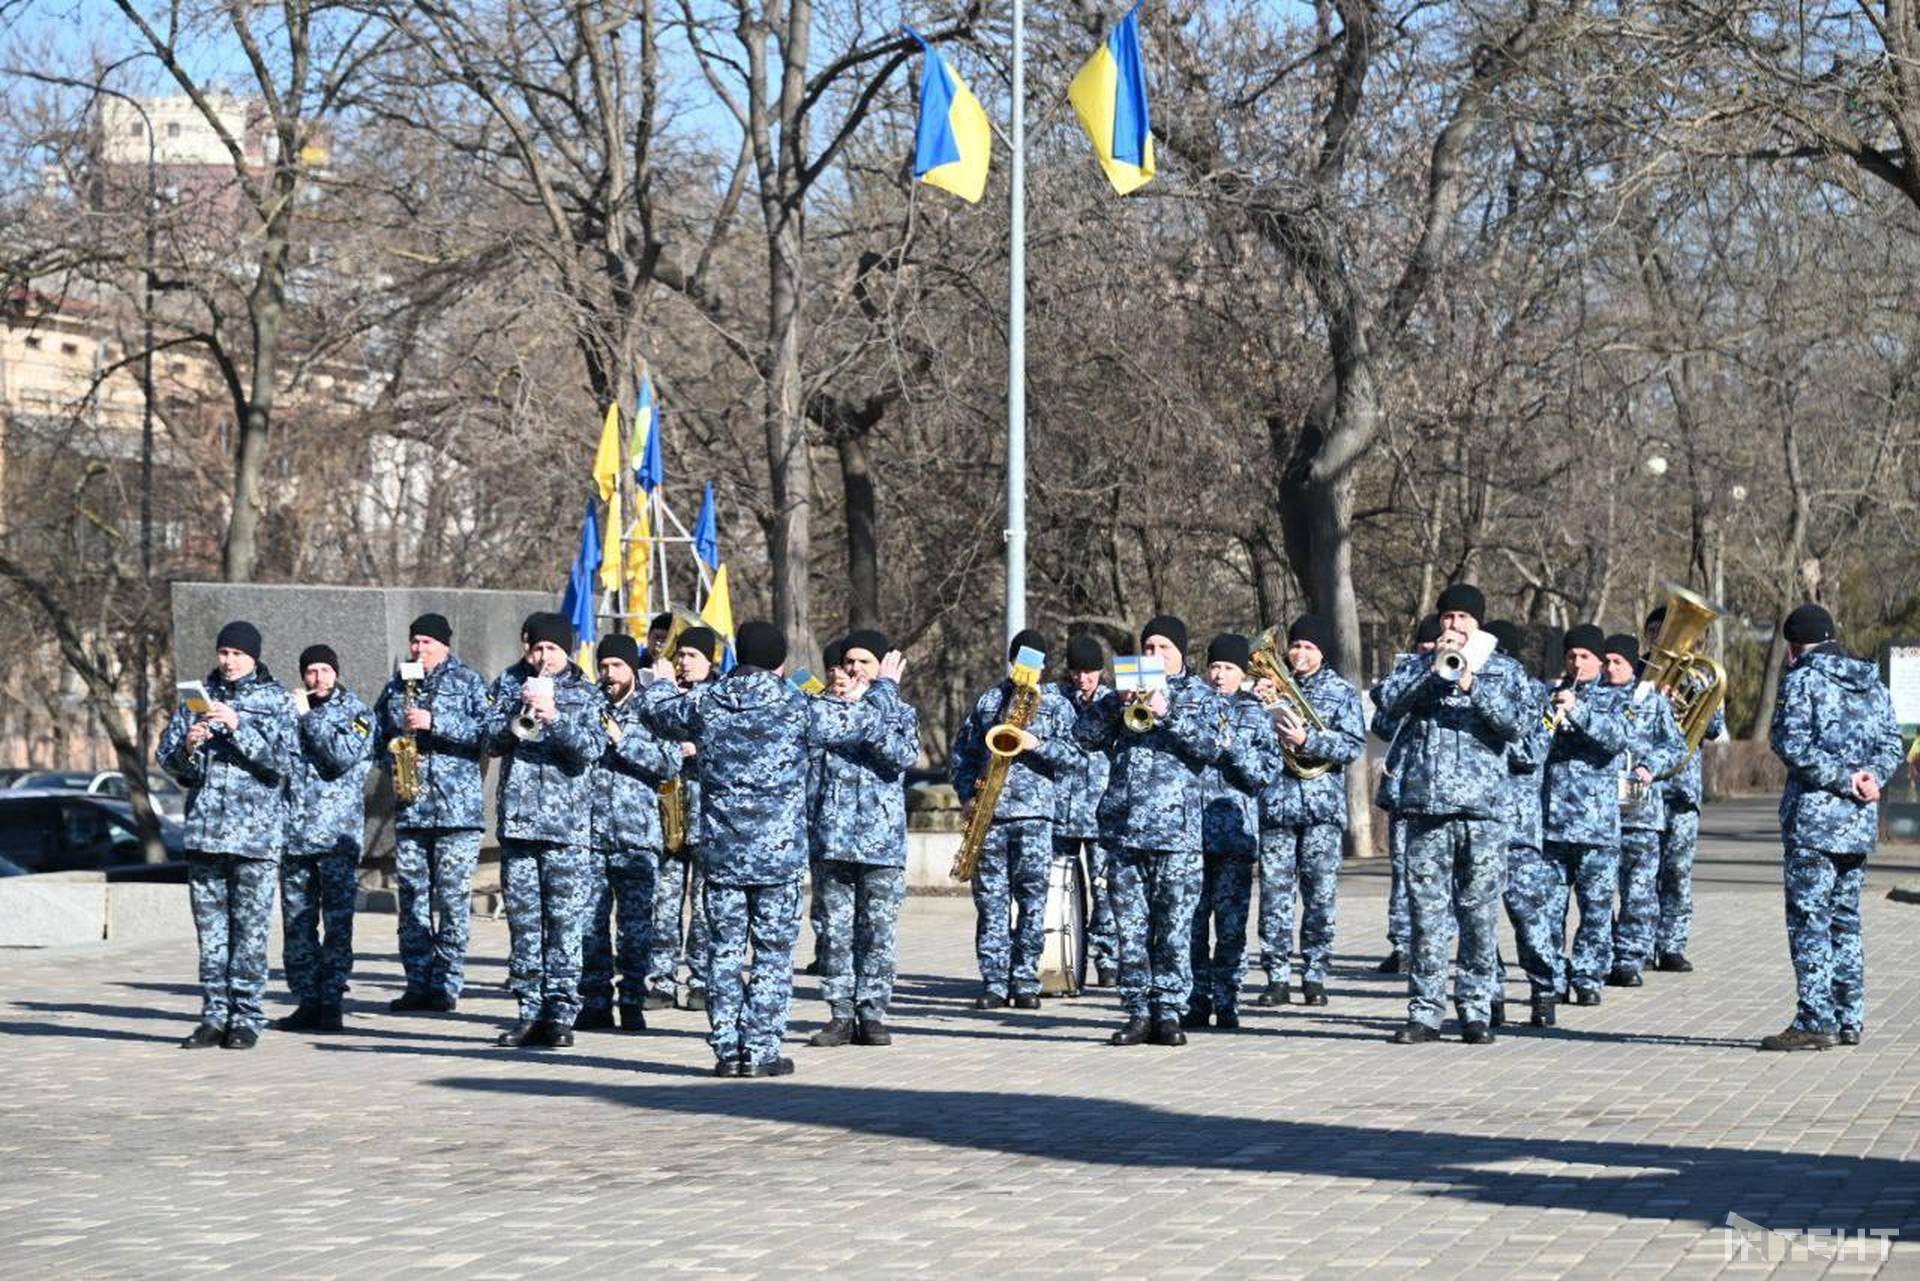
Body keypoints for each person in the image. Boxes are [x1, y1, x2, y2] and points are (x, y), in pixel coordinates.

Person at [642, 620, 908, 1078]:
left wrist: (661, 681)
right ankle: (762, 1051)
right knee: (772, 954)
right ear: (782, 663)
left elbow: (657, 713)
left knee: (723, 953)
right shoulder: (796, 705)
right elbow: (863, 720)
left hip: (722, 853)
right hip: (778, 857)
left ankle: (727, 1051)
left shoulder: (708, 702)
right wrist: (883, 684)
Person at [1374, 586, 1530, 1045]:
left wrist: (1471, 685)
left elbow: (1515, 727)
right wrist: (1431, 672)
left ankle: (1476, 1009)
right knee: (1427, 918)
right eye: (1447, 618)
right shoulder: (1417, 666)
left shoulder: (1505, 670)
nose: (1454, 626)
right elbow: (1387, 703)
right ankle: (1424, 1012)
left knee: (1479, 916)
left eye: (1463, 618)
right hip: (1426, 809)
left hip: (1482, 813)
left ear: (1477, 623)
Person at [1074, 615, 1224, 1047]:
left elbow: (1213, 748)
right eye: (1149, 647)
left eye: (1163, 648)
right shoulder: (1122, 692)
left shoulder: (1199, 695)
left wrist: (1167, 712)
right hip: (1124, 830)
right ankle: (1138, 1010)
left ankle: (1169, 1011)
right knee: (1131, 928)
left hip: (1176, 833)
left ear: (1180, 654)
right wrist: (1112, 705)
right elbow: (1081, 736)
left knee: (1174, 926)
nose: (1154, 655)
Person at [1762, 603, 1901, 1050]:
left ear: (1794, 646)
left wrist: (1843, 779)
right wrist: (1871, 777)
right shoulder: (1870, 680)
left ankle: (1814, 1018)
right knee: (1845, 920)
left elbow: (1789, 742)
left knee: (1809, 920)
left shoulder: (1802, 678)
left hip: (1814, 825)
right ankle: (1850, 1017)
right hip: (1858, 823)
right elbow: (1891, 743)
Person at [157, 621, 295, 1050]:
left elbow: (285, 763)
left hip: (254, 838)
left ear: (253, 656)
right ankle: (214, 1016)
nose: (228, 661)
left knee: (250, 934)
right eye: (223, 653)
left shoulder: (274, 699)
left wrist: (238, 727)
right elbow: (169, 760)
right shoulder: (196, 698)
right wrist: (189, 748)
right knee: (212, 936)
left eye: (237, 654)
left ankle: (247, 1017)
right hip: (205, 835)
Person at [484, 614, 603, 1048]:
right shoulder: (508, 683)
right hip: (518, 826)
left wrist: (553, 716)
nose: (542, 657)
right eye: (536, 649)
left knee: (564, 925)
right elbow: (491, 741)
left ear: (566, 651)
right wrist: (519, 711)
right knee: (524, 925)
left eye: (551, 649)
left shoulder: (586, 693)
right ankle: (528, 1012)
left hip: (566, 829)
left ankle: (560, 1015)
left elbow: (588, 752)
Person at [951, 630, 1083, 1010]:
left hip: (1035, 816)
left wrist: (1036, 744)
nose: (1025, 671)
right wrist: (968, 796)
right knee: (990, 902)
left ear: (1043, 666)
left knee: (1032, 900)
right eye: (1019, 662)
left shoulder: (1056, 704)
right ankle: (994, 981)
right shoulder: (990, 700)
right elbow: (962, 753)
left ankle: (1025, 979)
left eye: (1033, 663)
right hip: (990, 816)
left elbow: (1076, 758)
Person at [807, 629, 921, 1047]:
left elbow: (902, 757)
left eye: (865, 662)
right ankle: (839, 1013)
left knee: (877, 932)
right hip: (832, 839)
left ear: (881, 669)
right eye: (850, 661)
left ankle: (872, 1013)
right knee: (834, 932)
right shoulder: (821, 708)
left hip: (881, 843)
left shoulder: (899, 712)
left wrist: (866, 713)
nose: (854, 669)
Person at [373, 613, 491, 1013]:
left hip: (456, 814)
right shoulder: (399, 685)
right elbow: (377, 736)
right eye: (415, 642)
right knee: (412, 901)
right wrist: (393, 751)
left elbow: (488, 733)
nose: (418, 649)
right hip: (412, 811)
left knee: (454, 901)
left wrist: (435, 722)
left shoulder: (468, 681)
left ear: (444, 645)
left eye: (426, 642)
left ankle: (447, 983)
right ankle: (417, 982)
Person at [1254, 616, 1365, 1008]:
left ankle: (1315, 974)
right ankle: (1277, 976)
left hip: (1321, 810)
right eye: (1295, 646)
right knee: (1274, 897)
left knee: (1319, 897)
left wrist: (1308, 739)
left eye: (1308, 648)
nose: (1299, 654)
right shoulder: (1271, 688)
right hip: (1277, 806)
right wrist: (1257, 703)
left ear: (1322, 653)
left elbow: (1352, 746)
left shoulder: (1341, 692)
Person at [1524, 624, 1633, 1011]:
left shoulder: (1615, 698)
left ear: (1601, 662)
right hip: (1551, 824)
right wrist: (1551, 715)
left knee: (1596, 908)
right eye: (1571, 655)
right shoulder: (1548, 697)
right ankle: (1550, 978)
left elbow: (1617, 739)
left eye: (1585, 656)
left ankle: (1587, 976)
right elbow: (1531, 748)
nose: (1576, 662)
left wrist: (1579, 710)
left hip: (1596, 826)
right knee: (1549, 911)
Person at [580, 632, 681, 1032]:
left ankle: (634, 1001)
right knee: (590, 925)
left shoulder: (651, 709)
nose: (608, 673)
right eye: (603, 666)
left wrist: (623, 743)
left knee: (637, 928)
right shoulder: (590, 705)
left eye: (616, 666)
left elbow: (669, 763)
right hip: (591, 834)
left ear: (632, 670)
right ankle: (595, 1000)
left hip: (637, 836)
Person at [277, 644, 375, 1033]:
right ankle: (307, 1000)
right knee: (297, 926)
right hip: (295, 836)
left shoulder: (357, 713)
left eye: (323, 670)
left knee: (337, 926)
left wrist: (306, 718)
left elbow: (339, 756)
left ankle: (332, 1001)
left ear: (336, 672)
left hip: (336, 838)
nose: (317, 679)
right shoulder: (290, 712)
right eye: (310, 672)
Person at [1188, 634, 1281, 1029]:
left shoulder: (1256, 714)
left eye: (1227, 668)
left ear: (1242, 673)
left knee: (1229, 927)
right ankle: (1195, 999)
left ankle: (1227, 1001)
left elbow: (1265, 773)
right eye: (1214, 667)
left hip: (1233, 839)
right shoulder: (1190, 710)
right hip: (1190, 835)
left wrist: (1232, 747)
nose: (1219, 675)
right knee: (1191, 925)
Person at [1642, 604, 1726, 973]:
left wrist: (1679, 702)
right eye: (1659, 633)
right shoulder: (1633, 673)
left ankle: (1672, 944)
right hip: (1642, 786)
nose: (1669, 640)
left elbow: (1711, 727)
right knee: (1639, 871)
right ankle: (1637, 943)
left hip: (1682, 788)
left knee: (1677, 869)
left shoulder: (1700, 676)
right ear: (1648, 635)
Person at [644, 625, 721, 1011]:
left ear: (710, 661)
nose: (684, 662)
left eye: (692, 656)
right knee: (665, 902)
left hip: (709, 819)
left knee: (705, 907)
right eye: (681, 656)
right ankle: (660, 979)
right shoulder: (666, 697)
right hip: (668, 812)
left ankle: (702, 979)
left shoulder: (722, 698)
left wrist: (699, 748)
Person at [1603, 634, 1685, 988]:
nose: (1609, 668)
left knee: (1638, 887)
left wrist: (1650, 767)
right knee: (1600, 888)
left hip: (1639, 808)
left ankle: (1630, 957)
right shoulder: (1593, 696)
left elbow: (1675, 744)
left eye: (1617, 662)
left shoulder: (1650, 699)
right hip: (1598, 811)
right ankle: (1602, 953)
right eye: (1605, 661)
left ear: (1631, 664)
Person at [1369, 614, 1443, 975]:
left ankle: (1434, 943)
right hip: (1402, 788)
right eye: (1423, 646)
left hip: (1438, 791)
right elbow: (1380, 726)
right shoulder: (1409, 675)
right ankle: (1401, 945)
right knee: (1401, 869)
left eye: (1434, 645)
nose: (1429, 651)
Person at [1055, 635, 1116, 986]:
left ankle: (1107, 959)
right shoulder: (1056, 699)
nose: (1083, 679)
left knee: (1104, 889)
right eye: (1077, 672)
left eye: (1090, 672)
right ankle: (1066, 959)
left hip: (1100, 811)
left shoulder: (1114, 702)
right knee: (1062, 892)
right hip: (1062, 810)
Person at [804, 636, 849, 977]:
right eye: (832, 668)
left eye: (842, 668)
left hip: (853, 822)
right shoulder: (812, 706)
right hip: (816, 817)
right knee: (822, 899)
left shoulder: (864, 706)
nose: (838, 675)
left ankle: (846, 956)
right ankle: (826, 952)